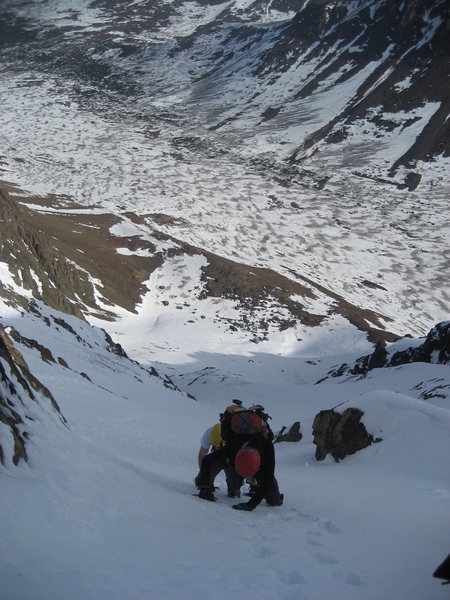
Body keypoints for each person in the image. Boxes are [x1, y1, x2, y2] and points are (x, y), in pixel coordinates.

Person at [232, 432, 284, 511]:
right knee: (233, 490)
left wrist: (251, 504)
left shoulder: (267, 448)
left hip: (260, 462)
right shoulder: (237, 444)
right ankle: (246, 487)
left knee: (275, 501)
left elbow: (268, 481)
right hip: (244, 457)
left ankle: (268, 493)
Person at [195, 418, 242, 499]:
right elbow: (202, 454)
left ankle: (234, 487)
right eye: (215, 446)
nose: (217, 448)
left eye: (218, 446)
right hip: (215, 458)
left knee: (234, 492)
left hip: (231, 460)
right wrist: (203, 474)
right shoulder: (209, 432)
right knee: (201, 482)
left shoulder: (235, 436)